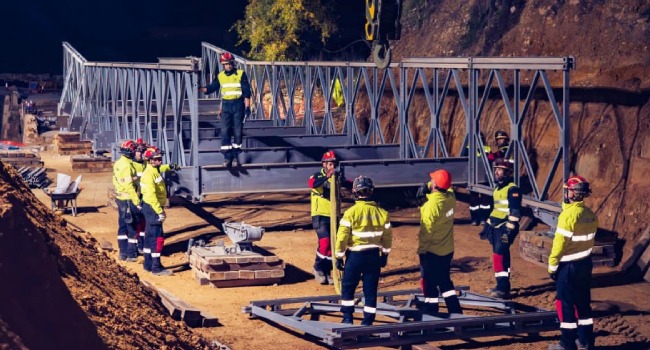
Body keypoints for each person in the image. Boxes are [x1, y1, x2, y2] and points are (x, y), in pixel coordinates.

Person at [548, 176, 598, 350]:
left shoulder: (567, 216)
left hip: (568, 268)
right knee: (583, 303)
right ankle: (585, 341)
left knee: (565, 305)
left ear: (573, 193)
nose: (567, 193)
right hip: (585, 265)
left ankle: (567, 344)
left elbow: (559, 245)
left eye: (568, 190)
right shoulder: (590, 215)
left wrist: (552, 266)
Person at [335, 175, 392, 326]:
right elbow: (387, 237)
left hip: (355, 256)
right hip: (373, 256)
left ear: (355, 191)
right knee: (370, 290)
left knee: (348, 287)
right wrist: (385, 255)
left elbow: (342, 238)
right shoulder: (382, 213)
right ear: (371, 191)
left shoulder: (350, 213)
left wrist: (339, 256)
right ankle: (368, 321)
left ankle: (347, 318)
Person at [417, 169, 463, 315]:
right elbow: (445, 187)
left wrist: (422, 250)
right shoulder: (450, 198)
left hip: (432, 251)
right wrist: (429, 185)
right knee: (444, 280)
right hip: (447, 249)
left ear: (435, 185)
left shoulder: (430, 206)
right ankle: (455, 309)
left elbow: (427, 231)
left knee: (429, 283)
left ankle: (431, 311)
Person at [200, 52, 251, 168]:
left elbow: (246, 91)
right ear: (223, 65)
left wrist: (247, 107)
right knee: (225, 132)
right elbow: (211, 87)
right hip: (226, 106)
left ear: (232, 63)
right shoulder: (220, 76)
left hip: (238, 105)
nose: (228, 66)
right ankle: (227, 158)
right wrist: (200, 88)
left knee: (238, 132)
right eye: (226, 64)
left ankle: (235, 157)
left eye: (230, 63)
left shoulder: (240, 74)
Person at [479, 158, 521, 299]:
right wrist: (488, 223)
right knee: (501, 257)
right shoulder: (498, 188)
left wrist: (508, 231)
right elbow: (497, 209)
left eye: (500, 169)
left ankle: (502, 289)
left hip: (506, 227)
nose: (496, 172)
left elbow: (514, 212)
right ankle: (502, 285)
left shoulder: (513, 189)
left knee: (499, 256)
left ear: (507, 172)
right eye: (495, 169)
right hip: (496, 227)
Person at [308, 150, 351, 285]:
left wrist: (347, 181)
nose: (332, 166)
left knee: (333, 245)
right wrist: (327, 176)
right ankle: (318, 268)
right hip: (320, 215)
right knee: (325, 242)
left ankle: (328, 271)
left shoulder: (337, 178)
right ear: (324, 164)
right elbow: (313, 184)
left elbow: (350, 186)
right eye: (329, 163)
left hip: (334, 215)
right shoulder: (317, 176)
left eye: (334, 163)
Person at [140, 147, 177, 276]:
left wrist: (169, 166)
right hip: (152, 207)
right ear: (150, 160)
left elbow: (159, 169)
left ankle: (148, 264)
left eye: (160, 159)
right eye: (157, 159)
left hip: (149, 207)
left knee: (149, 236)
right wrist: (159, 211)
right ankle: (156, 267)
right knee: (157, 237)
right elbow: (150, 195)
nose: (160, 161)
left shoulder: (152, 170)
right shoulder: (149, 174)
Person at [112, 140, 140, 262]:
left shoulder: (118, 163)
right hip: (128, 199)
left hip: (120, 198)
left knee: (122, 226)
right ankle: (131, 254)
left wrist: (135, 178)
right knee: (132, 226)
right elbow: (129, 185)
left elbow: (118, 180)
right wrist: (137, 202)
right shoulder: (127, 165)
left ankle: (122, 253)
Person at [461, 132, 493, 225]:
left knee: (485, 201)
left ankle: (484, 218)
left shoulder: (487, 149)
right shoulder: (468, 148)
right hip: (473, 177)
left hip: (484, 177)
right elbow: (463, 160)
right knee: (474, 200)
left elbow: (490, 160)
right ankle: (475, 218)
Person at [132, 139, 148, 254]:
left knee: (144, 222)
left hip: (145, 195)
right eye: (138, 151)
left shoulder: (146, 164)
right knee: (135, 222)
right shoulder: (131, 164)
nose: (140, 153)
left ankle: (142, 244)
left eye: (143, 151)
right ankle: (135, 245)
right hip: (134, 196)